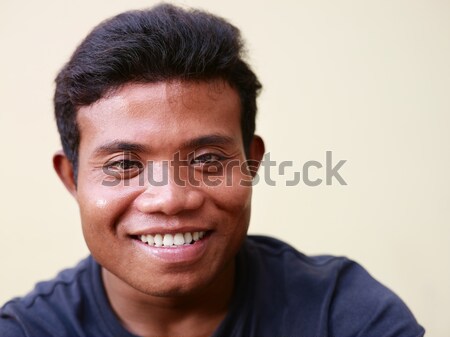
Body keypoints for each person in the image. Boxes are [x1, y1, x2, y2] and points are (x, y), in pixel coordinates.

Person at [0, 4, 424, 337]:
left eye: (207, 161)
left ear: (250, 163)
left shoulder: (344, 315)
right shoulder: (24, 331)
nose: (170, 199)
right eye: (125, 165)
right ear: (72, 177)